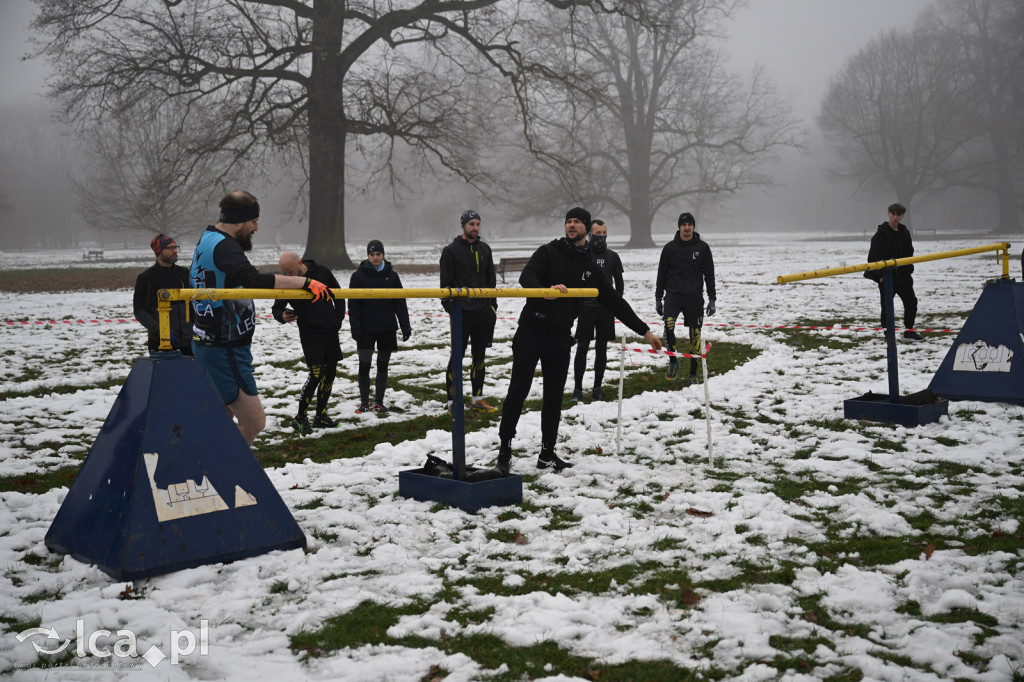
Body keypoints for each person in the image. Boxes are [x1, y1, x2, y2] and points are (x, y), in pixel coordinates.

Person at [495, 207, 662, 474]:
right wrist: (543, 292)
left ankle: (547, 453)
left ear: (586, 228)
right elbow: (527, 277)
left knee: (553, 397)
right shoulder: (548, 251)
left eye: (577, 222)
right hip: (531, 331)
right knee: (518, 391)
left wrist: (645, 331)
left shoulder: (590, 264)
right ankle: (504, 450)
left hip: (560, 337)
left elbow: (614, 302)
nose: (571, 225)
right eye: (568, 221)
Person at [190, 190, 333, 445]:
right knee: (254, 422)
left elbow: (243, 276)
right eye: (253, 221)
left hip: (213, 342)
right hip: (224, 347)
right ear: (238, 221)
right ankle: (222, 470)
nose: (257, 227)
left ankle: (209, 467)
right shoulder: (224, 246)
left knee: (222, 416)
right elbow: (253, 279)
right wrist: (305, 281)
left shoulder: (209, 238)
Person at [272, 251, 345, 434]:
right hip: (310, 334)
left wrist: (338, 319)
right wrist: (282, 315)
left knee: (330, 374)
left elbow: (339, 294)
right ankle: (300, 418)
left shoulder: (321, 271)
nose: (288, 276)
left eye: (290, 272)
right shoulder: (287, 283)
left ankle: (321, 416)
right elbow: (277, 308)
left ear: (300, 263)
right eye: (284, 273)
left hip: (330, 330)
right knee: (315, 374)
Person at [440, 209, 498, 414]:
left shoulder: (485, 249)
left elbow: (492, 281)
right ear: (463, 225)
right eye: (471, 224)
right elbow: (444, 287)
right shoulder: (451, 251)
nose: (475, 228)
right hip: (461, 314)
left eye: (477, 224)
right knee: (457, 356)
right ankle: (452, 402)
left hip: (483, 313)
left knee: (479, 356)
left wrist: (492, 308)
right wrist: (453, 311)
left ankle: (478, 398)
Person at [348, 240, 412, 414]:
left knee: (382, 364)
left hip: (387, 328)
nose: (375, 257)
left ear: (383, 255)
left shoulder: (392, 276)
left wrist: (405, 326)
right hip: (365, 330)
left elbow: (400, 302)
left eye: (378, 254)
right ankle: (364, 402)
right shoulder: (358, 276)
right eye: (372, 254)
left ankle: (379, 402)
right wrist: (355, 329)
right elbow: (353, 305)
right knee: (365, 364)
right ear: (367, 256)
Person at [655, 212, 716, 384]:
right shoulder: (669, 248)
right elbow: (661, 274)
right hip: (673, 296)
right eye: (684, 225)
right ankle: (673, 361)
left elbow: (709, 275)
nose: (687, 228)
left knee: (695, 335)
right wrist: (658, 298)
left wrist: (712, 299)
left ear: (693, 227)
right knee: (668, 328)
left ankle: (692, 374)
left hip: (694, 297)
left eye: (690, 224)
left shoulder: (703, 248)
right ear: (679, 227)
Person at [570, 219, 623, 403]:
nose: (601, 236)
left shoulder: (612, 256)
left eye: (604, 232)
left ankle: (597, 387)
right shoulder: (582, 254)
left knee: (602, 348)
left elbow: (619, 284)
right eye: (598, 233)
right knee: (582, 348)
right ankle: (577, 388)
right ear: (590, 234)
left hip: (605, 311)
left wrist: (615, 304)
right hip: (586, 309)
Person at [865, 203, 920, 340]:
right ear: (888, 214)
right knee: (887, 307)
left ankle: (909, 331)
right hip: (887, 278)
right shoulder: (880, 235)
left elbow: (909, 255)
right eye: (893, 214)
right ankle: (888, 334)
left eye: (898, 214)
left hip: (903, 278)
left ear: (902, 216)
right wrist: (879, 277)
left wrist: (907, 272)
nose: (895, 217)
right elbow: (872, 259)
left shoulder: (904, 233)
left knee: (911, 302)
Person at [133, 233, 192, 355]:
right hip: (161, 343)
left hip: (189, 342)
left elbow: (193, 304)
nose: (175, 251)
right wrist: (160, 330)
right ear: (159, 251)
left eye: (176, 247)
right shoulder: (146, 278)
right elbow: (140, 311)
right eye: (170, 248)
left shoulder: (184, 273)